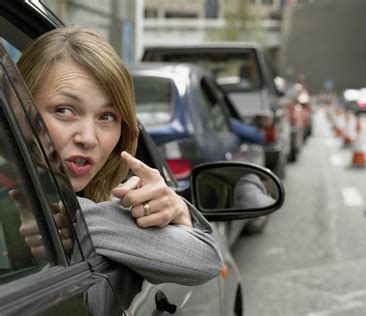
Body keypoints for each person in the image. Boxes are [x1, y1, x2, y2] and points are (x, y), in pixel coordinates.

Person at [13, 27, 224, 285]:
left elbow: (206, 261)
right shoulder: (78, 215)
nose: (88, 137)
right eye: (64, 110)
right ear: (17, 108)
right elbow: (208, 260)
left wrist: (176, 207)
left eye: (107, 116)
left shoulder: (89, 206)